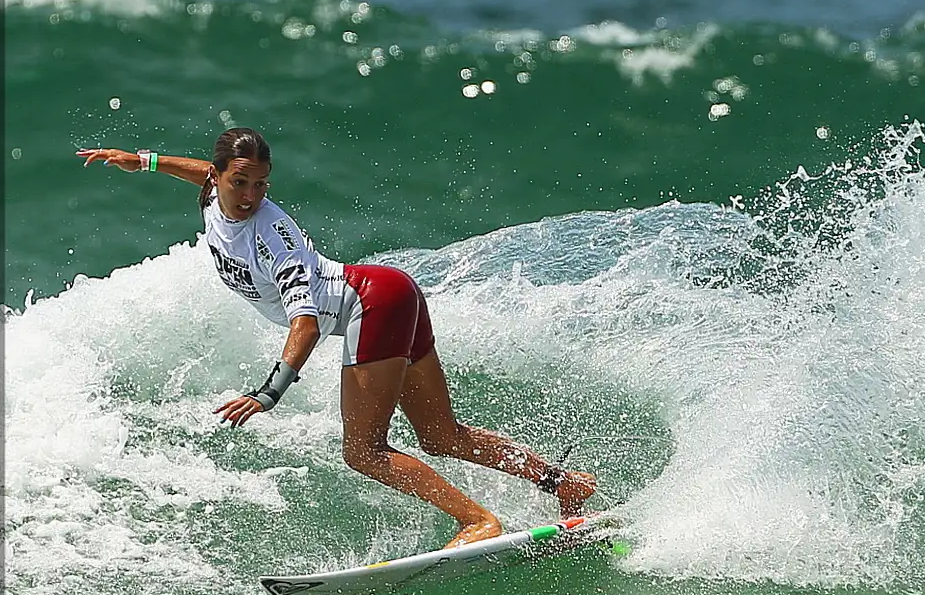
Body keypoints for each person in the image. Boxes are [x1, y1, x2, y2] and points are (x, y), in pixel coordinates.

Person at [77, 128, 595, 548]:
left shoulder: (269, 236)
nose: (252, 196)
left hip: (373, 303)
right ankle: (565, 484)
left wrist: (268, 392)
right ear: (219, 177)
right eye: (242, 183)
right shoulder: (215, 194)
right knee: (440, 437)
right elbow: (195, 170)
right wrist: (139, 160)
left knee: (363, 451)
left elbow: (304, 323)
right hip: (391, 291)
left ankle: (478, 521)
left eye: (262, 185)